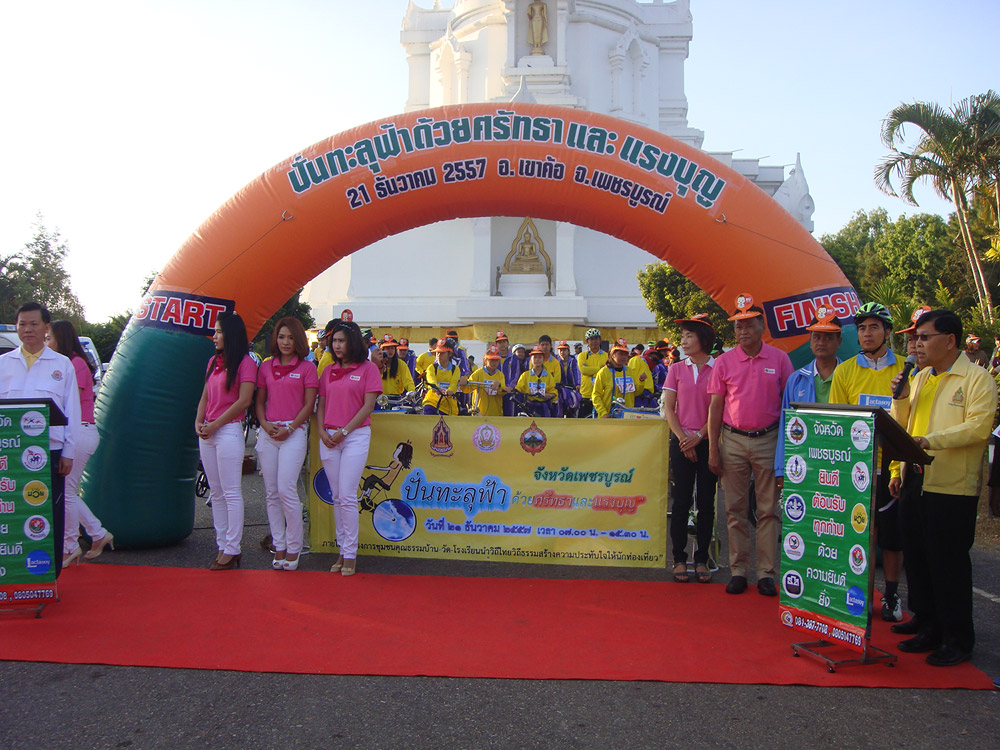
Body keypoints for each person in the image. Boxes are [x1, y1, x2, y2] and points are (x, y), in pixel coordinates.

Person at [888, 309, 996, 666]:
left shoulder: (977, 379)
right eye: (915, 338)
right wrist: (900, 398)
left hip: (951, 487)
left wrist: (930, 441)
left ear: (950, 341)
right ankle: (926, 622)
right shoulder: (919, 378)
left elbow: (978, 428)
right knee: (917, 556)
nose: (917, 344)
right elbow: (901, 428)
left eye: (924, 337)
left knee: (946, 562)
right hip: (915, 478)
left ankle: (956, 637)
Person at [707, 294, 793, 596]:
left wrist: (787, 450)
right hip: (732, 440)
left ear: (762, 326)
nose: (742, 331)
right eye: (738, 326)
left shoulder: (780, 359)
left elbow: (789, 406)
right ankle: (739, 570)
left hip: (768, 439)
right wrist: (713, 449)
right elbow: (715, 407)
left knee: (768, 510)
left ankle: (766, 573)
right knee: (735, 509)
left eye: (748, 324)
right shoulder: (724, 362)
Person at [828, 301, 906, 621]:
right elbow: (837, 422)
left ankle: (891, 595)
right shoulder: (845, 370)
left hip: (892, 466)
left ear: (887, 331)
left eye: (874, 327)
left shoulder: (904, 368)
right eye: (862, 328)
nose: (867, 333)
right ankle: (858, 594)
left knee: (891, 536)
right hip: (857, 466)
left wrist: (898, 468)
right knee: (860, 534)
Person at [0, 302, 80, 573]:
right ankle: (11, 571)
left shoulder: (62, 365)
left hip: (49, 451)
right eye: (22, 324)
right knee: (12, 511)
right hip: (10, 452)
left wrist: (68, 451)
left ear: (46, 327)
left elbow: (72, 411)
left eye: (34, 324)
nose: (27, 329)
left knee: (50, 513)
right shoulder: (3, 363)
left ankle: (49, 572)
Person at [314, 320, 382, 576]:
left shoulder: (368, 369)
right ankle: (342, 549)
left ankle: (350, 553)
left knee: (347, 494)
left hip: (355, 436)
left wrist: (344, 432)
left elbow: (368, 406)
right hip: (329, 437)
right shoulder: (328, 370)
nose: (336, 345)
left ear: (352, 342)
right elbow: (321, 404)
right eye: (334, 341)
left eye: (341, 341)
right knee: (337, 496)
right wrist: (322, 431)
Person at [254, 317, 317, 571]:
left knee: (286, 489)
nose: (286, 342)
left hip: (294, 432)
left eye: (291, 337)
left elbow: (309, 404)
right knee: (271, 492)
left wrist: (290, 428)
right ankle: (278, 544)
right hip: (268, 432)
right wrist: (264, 424)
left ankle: (294, 546)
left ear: (299, 340)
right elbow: (259, 401)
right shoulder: (265, 367)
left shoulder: (307, 368)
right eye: (281, 337)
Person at [195, 311, 257, 571]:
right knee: (216, 492)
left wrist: (215, 424)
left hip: (228, 431)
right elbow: (205, 395)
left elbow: (244, 401)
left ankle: (233, 547)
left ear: (230, 334)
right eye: (215, 331)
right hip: (208, 432)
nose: (214, 336)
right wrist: (198, 422)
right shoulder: (213, 361)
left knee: (231, 492)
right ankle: (223, 544)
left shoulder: (246, 363)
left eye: (219, 332)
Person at [49, 320, 114, 566]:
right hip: (76, 433)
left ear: (61, 339)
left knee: (66, 492)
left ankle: (71, 545)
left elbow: (69, 404)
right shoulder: (69, 363)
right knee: (67, 491)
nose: (47, 343)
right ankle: (96, 534)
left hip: (79, 432)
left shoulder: (75, 364)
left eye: (49, 338)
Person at [662, 314, 717, 584]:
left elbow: (720, 409)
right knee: (681, 502)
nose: (683, 341)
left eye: (689, 336)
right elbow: (669, 409)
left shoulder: (719, 368)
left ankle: (702, 559)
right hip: (681, 442)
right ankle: (679, 558)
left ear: (703, 339)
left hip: (709, 442)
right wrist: (684, 439)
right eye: (682, 336)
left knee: (706, 503)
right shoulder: (676, 369)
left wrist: (699, 436)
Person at [774, 311, 842, 486]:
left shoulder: (849, 376)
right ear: (810, 341)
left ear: (839, 341)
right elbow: (785, 424)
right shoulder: (796, 379)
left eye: (828, 337)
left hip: (840, 458)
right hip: (805, 458)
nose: (821, 342)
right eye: (816, 337)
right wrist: (781, 467)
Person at [592, 338, 645, 417]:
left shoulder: (629, 371)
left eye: (625, 354)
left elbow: (636, 393)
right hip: (608, 416)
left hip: (627, 416)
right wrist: (603, 412)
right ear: (612, 355)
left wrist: (641, 381)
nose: (624, 357)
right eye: (620, 354)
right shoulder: (603, 372)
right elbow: (596, 395)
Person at [422, 338, 468, 415]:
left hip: (448, 405)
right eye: (437, 352)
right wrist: (437, 388)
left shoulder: (455, 369)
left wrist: (450, 391)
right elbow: (431, 380)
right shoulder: (431, 367)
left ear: (450, 354)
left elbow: (454, 383)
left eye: (442, 353)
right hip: (432, 402)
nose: (439, 355)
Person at [515, 345, 558, 417]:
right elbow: (519, 389)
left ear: (543, 359)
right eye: (535, 357)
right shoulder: (525, 375)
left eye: (540, 357)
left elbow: (554, 391)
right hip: (528, 407)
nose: (537, 360)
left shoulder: (548, 376)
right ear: (531, 359)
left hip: (544, 408)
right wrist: (516, 391)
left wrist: (549, 395)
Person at [468, 345, 508, 416]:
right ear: (485, 360)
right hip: (479, 413)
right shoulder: (478, 373)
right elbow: (467, 388)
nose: (494, 363)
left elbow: (503, 391)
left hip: (496, 413)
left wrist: (499, 384)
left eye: (496, 360)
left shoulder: (500, 375)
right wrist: (464, 382)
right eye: (491, 360)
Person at [577, 328, 606, 418]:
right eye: (591, 339)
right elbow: (583, 370)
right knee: (584, 423)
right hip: (586, 394)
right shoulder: (582, 356)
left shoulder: (607, 356)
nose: (594, 341)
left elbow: (606, 373)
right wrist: (600, 369)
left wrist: (589, 370)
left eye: (596, 338)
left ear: (600, 340)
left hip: (601, 395)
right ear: (587, 341)